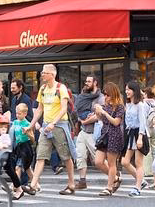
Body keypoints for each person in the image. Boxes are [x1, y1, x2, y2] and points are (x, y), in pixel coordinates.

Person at [27, 64, 77, 195]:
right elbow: (39, 109)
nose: (42, 74)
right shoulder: (42, 89)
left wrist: (53, 123)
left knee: (66, 157)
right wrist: (31, 125)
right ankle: (33, 185)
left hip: (59, 126)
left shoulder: (61, 88)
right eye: (42, 72)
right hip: (46, 126)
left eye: (44, 72)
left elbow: (64, 109)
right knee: (40, 156)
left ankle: (71, 184)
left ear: (52, 74)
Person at [91, 82, 127, 196]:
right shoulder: (105, 105)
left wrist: (104, 113)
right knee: (98, 161)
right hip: (104, 135)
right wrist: (97, 112)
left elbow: (116, 122)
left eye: (107, 94)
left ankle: (109, 187)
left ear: (113, 94)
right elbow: (99, 118)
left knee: (112, 163)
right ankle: (116, 178)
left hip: (114, 135)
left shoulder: (120, 107)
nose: (105, 97)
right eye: (104, 94)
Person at [72, 75, 102, 191]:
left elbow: (99, 115)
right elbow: (78, 110)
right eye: (86, 81)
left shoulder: (100, 98)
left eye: (89, 81)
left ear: (95, 82)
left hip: (94, 132)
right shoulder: (83, 95)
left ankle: (114, 177)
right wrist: (80, 118)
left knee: (97, 159)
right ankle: (82, 181)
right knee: (80, 156)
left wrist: (85, 120)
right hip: (83, 131)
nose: (86, 83)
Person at [122, 81, 151, 196]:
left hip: (139, 134)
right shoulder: (128, 104)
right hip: (130, 134)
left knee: (139, 163)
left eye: (129, 89)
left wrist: (140, 138)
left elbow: (143, 122)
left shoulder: (140, 105)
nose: (127, 92)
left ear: (135, 91)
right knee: (125, 162)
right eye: (126, 89)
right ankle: (141, 180)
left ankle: (137, 187)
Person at [8, 103, 34, 197]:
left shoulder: (27, 124)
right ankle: (37, 185)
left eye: (19, 114)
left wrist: (27, 133)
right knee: (27, 168)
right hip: (17, 146)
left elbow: (33, 139)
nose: (17, 115)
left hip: (25, 147)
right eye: (16, 113)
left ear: (25, 114)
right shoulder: (15, 122)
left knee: (18, 167)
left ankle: (14, 185)